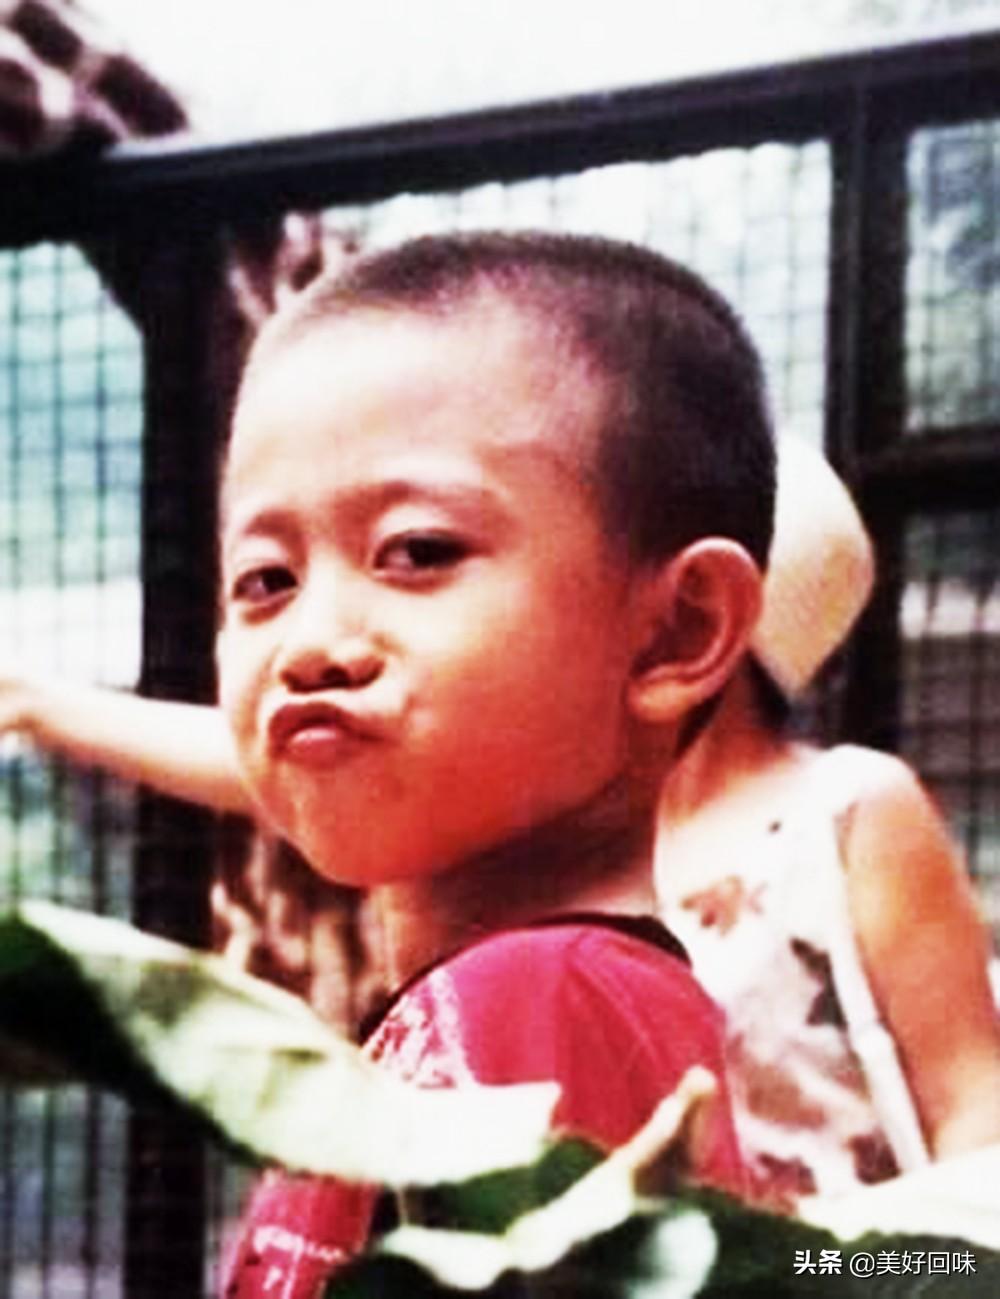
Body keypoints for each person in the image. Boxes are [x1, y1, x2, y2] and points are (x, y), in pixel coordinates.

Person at [7, 230, 777, 1296]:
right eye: (266, 579)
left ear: (674, 633)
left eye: (417, 552)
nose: (311, 642)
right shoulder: (505, 1008)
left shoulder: (539, 999)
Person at [656, 434, 1000, 1202]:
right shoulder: (563, 829)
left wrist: (906, 1264)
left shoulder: (849, 808)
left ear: (710, 610)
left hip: (843, 1262)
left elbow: (977, 1114)